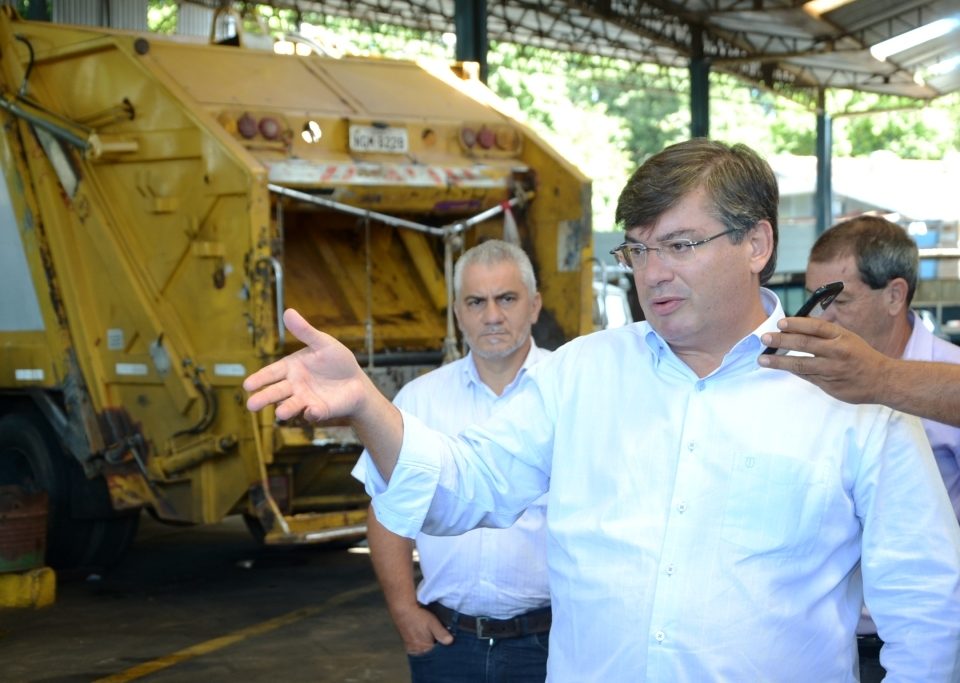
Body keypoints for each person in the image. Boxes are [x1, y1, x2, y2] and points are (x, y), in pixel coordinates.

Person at [244, 139, 960, 681]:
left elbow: (927, 605)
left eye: (680, 245)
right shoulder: (585, 373)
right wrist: (367, 404)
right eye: (639, 249)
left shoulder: (851, 388)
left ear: (757, 244)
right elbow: (462, 485)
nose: (653, 273)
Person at [352, 240, 551, 683]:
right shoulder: (418, 401)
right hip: (447, 644)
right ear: (457, 313)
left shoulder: (570, 390)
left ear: (534, 306)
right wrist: (404, 611)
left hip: (551, 644)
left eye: (507, 299)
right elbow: (387, 511)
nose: (493, 315)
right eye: (476, 302)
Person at [800, 214, 960, 519]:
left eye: (841, 302)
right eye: (815, 300)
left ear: (894, 296)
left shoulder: (952, 376)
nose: (820, 319)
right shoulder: (807, 375)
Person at [759, 316, 960, 427]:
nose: (823, 316)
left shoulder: (878, 390)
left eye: (843, 301)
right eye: (818, 300)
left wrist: (880, 377)